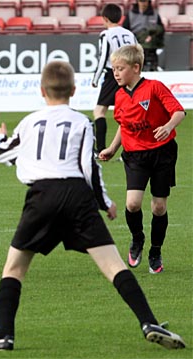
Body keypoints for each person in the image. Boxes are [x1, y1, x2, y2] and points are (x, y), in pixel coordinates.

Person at [0, 61, 186, 351]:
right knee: (113, 266)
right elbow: (89, 167)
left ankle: (4, 335)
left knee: (14, 268)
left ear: (41, 90)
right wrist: (105, 202)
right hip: (77, 197)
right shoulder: (81, 122)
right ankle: (148, 321)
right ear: (74, 91)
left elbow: (2, 153)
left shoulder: (30, 121)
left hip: (42, 196)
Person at [99, 44, 185, 274]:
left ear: (135, 68)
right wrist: (112, 148)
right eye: (114, 68)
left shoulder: (154, 87)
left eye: (120, 68)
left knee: (158, 207)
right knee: (133, 203)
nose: (115, 73)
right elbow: (123, 125)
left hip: (162, 153)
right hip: (135, 154)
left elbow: (179, 111)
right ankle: (137, 239)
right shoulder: (119, 94)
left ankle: (155, 252)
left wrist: (168, 126)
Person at [92, 4, 137, 154]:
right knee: (129, 113)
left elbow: (103, 57)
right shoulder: (129, 34)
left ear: (105, 18)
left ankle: (101, 149)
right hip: (130, 73)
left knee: (99, 111)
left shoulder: (106, 34)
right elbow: (138, 53)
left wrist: (95, 78)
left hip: (114, 74)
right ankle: (131, 149)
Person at [123, 0, 165, 71]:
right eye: (141, 1)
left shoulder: (155, 14)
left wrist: (152, 36)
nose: (143, 3)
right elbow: (125, 30)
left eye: (145, 1)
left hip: (151, 41)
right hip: (135, 40)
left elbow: (161, 29)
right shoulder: (130, 14)